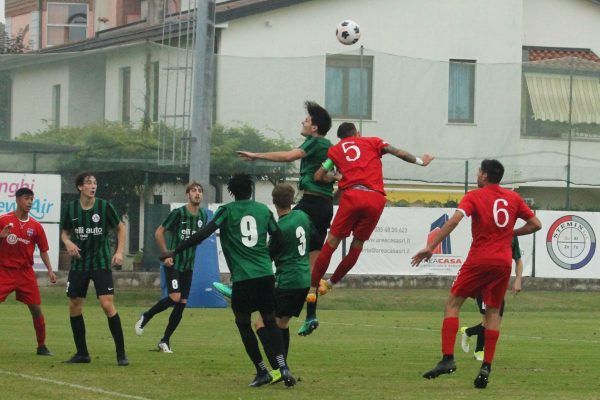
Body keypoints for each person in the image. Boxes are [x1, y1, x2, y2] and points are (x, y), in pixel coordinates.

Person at [411, 159, 541, 389]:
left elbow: (453, 221)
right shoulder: (513, 198)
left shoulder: (474, 196)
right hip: (502, 263)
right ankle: (486, 366)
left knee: (453, 303)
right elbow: (536, 224)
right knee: (493, 312)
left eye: (479, 171)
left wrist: (430, 246)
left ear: (484, 176)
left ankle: (447, 359)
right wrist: (510, 232)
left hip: (480, 258)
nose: (477, 174)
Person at [160, 174, 296, 387]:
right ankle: (283, 366)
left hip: (243, 277)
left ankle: (262, 371)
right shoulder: (263, 210)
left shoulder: (226, 211)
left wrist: (175, 250)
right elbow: (279, 239)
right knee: (270, 320)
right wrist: (266, 257)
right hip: (265, 275)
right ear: (251, 189)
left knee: (243, 323)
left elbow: (203, 233)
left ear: (231, 192)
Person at [310, 122, 433, 313]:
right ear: (357, 133)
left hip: (352, 196)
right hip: (375, 198)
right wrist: (420, 161)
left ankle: (312, 288)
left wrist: (336, 177)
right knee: (357, 245)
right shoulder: (373, 142)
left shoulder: (334, 151)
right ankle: (331, 283)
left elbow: (318, 176)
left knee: (332, 242)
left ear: (341, 138)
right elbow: (399, 153)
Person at [236, 101, 334, 336]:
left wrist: (257, 155)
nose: (303, 122)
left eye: (307, 120)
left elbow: (290, 156)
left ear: (314, 127)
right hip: (324, 206)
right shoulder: (329, 146)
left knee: (280, 237)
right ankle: (311, 314)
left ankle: (245, 284)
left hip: (311, 203)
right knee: (312, 267)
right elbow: (332, 170)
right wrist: (333, 177)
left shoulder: (315, 142)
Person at [61, 172, 128, 366]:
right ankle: (82, 353)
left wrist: (119, 252)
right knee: (74, 304)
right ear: (80, 187)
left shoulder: (104, 207)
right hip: (79, 264)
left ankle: (121, 354)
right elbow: (64, 233)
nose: (93, 186)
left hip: (100, 263)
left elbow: (120, 228)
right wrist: (68, 243)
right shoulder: (71, 208)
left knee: (107, 304)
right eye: (89, 183)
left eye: (95, 183)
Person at [135, 182, 208, 353]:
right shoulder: (178, 213)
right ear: (187, 195)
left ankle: (165, 340)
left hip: (188, 266)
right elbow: (159, 232)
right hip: (173, 263)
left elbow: (201, 237)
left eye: (200, 191)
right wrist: (167, 255)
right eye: (193, 191)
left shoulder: (203, 216)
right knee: (175, 297)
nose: (197, 193)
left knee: (182, 303)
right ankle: (147, 315)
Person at [252, 183, 314, 384]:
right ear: (292, 199)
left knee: (261, 323)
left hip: (288, 280)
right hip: (304, 279)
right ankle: (282, 366)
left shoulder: (280, 228)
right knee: (282, 324)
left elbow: (268, 255)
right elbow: (314, 238)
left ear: (273, 202)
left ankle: (280, 368)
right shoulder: (302, 217)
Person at [0, 188, 57, 356]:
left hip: (25, 273)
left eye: (32, 199)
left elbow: (44, 250)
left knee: (36, 309)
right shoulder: (4, 220)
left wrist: (50, 271)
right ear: (17, 200)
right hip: (5, 271)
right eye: (26, 198)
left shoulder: (36, 226)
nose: (30, 202)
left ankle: (42, 346)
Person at [460, 236, 523, 361]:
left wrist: (518, 279)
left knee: (495, 324)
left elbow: (518, 260)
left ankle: (468, 331)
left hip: (499, 287)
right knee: (488, 321)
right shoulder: (485, 233)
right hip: (483, 285)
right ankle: (479, 351)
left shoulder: (512, 236)